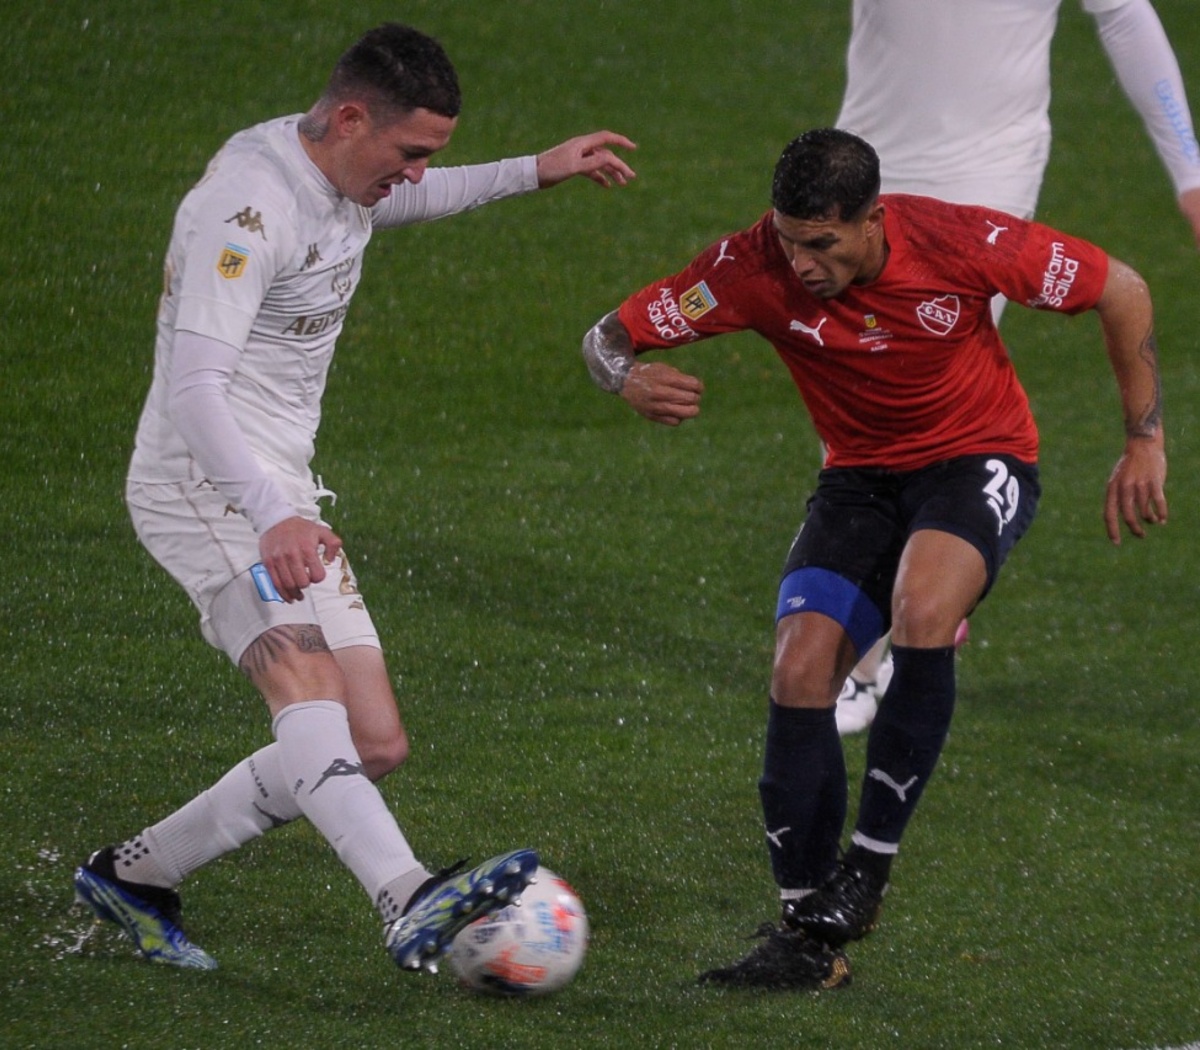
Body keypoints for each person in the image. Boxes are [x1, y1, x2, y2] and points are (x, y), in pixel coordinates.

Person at [72, 23, 636, 975]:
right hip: (207, 484)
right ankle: (405, 894)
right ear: (347, 119)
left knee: (369, 743)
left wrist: (536, 169)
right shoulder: (245, 210)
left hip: (280, 487)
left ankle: (135, 874)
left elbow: (410, 203)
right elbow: (195, 389)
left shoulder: (340, 180)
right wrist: (268, 513)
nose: (416, 175)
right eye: (409, 153)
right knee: (308, 688)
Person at [580, 128, 1166, 988]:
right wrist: (624, 379)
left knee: (923, 613)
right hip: (857, 483)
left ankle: (870, 870)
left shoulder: (961, 242)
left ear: (871, 221)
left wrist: (1143, 441)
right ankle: (803, 937)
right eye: (788, 239)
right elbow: (607, 337)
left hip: (978, 460)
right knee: (798, 669)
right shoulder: (749, 268)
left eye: (821, 244)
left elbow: (1124, 288)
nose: (802, 263)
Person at [831, 0, 1200, 735]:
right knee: (849, 381)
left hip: (987, 167)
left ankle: (871, 651)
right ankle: (916, 598)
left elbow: (1124, 14)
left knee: (904, 377)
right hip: (866, 156)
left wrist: (1190, 170)